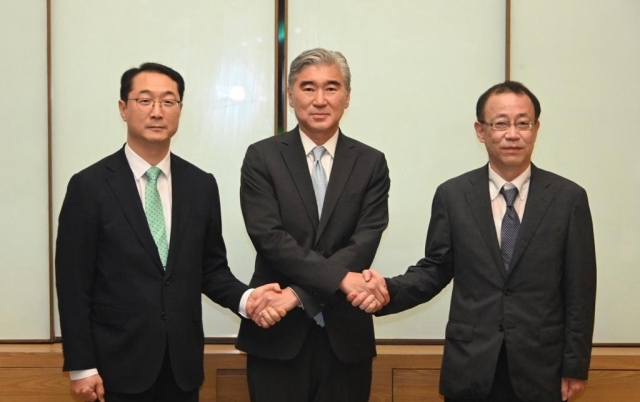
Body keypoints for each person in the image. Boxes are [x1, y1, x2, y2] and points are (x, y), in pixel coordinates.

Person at [55, 62, 285, 402]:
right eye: (144, 101)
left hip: (181, 367)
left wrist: (248, 300)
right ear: (123, 108)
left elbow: (211, 269)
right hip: (113, 367)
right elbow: (73, 284)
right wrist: (81, 366)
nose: (157, 112)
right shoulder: (88, 186)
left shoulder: (201, 185)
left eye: (168, 101)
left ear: (180, 109)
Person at [356, 81, 597, 402]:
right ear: (481, 131)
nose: (513, 133)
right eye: (500, 123)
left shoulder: (569, 199)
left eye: (523, 123)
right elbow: (436, 269)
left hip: (543, 367)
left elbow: (580, 290)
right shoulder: (454, 195)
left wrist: (575, 365)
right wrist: (387, 291)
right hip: (471, 365)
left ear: (536, 129)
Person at [235, 48, 391, 402]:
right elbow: (270, 239)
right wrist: (331, 282)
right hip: (276, 337)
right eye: (308, 88)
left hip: (345, 337)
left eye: (331, 88)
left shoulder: (371, 163)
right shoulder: (262, 157)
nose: (320, 100)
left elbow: (364, 243)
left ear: (348, 97)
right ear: (290, 95)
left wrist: (296, 296)